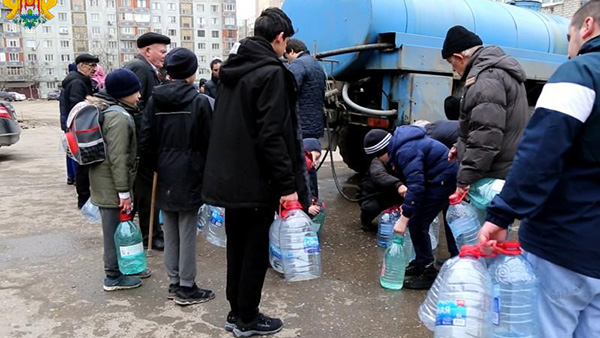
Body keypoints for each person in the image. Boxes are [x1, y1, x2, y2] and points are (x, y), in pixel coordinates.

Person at [479, 3, 600, 337]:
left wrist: (501, 215)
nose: (569, 47)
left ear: (586, 25)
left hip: (565, 245)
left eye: (569, 37)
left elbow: (539, 155)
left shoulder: (581, 72)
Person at [202, 8, 308, 337]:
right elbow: (272, 135)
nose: (285, 45)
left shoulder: (234, 70)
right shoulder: (271, 73)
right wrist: (288, 186)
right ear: (279, 38)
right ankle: (247, 318)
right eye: (285, 39)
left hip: (232, 178)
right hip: (256, 180)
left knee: (238, 247)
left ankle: (237, 311)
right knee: (254, 251)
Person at [140, 48, 214, 306]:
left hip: (164, 172)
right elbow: (209, 142)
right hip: (191, 171)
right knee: (187, 230)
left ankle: (174, 281)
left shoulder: (153, 100)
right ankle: (186, 287)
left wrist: (156, 167)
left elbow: (146, 140)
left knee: (169, 227)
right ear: (191, 73)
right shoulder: (200, 102)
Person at [364, 126, 458, 289]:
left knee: (418, 223)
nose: (381, 161)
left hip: (444, 180)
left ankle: (428, 272)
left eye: (379, 157)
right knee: (416, 221)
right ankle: (421, 263)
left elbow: (416, 185)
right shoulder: (401, 146)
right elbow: (415, 182)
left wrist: (404, 218)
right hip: (437, 179)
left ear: (382, 151)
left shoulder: (405, 151)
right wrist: (408, 207)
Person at [442, 26, 529, 199]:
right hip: (507, 169)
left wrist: (464, 179)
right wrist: (459, 147)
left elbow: (486, 135)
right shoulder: (497, 72)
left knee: (482, 225)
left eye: (452, 64)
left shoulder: (486, 80)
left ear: (460, 57)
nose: (454, 70)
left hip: (494, 173)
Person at [87, 69, 150, 291]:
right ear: (124, 93)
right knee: (113, 231)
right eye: (135, 92)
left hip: (107, 183)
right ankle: (112, 277)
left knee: (118, 228)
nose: (139, 96)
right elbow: (118, 158)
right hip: (111, 186)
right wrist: (123, 192)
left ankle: (123, 269)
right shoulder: (118, 118)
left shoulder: (112, 111)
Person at [125, 32, 171, 251]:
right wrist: (146, 140)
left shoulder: (149, 70)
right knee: (144, 190)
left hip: (144, 139)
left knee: (145, 189)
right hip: (141, 143)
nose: (164, 55)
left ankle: (149, 231)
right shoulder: (140, 68)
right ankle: (149, 235)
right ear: (147, 51)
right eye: (161, 51)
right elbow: (137, 108)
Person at [62, 53, 99, 208]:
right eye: (91, 66)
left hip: (79, 127)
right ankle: (83, 200)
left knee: (83, 164)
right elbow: (77, 106)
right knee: (83, 165)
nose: (94, 69)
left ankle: (84, 197)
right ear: (82, 66)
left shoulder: (80, 80)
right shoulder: (77, 82)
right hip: (81, 129)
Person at [284, 39, 327, 140]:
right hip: (315, 125)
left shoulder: (298, 64)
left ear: (292, 51)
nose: (287, 60)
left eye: (286, 56)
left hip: (301, 125)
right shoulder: (316, 64)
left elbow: (287, 90)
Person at [60, 62, 78, 185]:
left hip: (66, 121)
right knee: (74, 149)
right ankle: (75, 176)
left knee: (69, 149)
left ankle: (71, 176)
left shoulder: (65, 85)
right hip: (71, 122)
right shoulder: (74, 84)